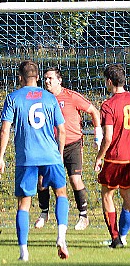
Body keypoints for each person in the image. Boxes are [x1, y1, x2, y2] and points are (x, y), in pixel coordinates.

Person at [0, 60, 69, 261]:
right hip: (50, 156)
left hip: (26, 158)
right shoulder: (50, 98)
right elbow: (61, 130)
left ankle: (24, 252)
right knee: (61, 194)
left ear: (20, 77)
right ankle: (61, 238)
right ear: (37, 77)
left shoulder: (13, 98)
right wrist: (59, 154)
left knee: (24, 204)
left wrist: (0, 157)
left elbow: (5, 129)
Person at [34, 67, 102, 231]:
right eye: (45, 78)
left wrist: (97, 133)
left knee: (75, 179)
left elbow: (93, 111)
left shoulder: (71, 96)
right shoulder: (43, 99)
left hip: (72, 145)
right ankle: (44, 212)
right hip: (51, 145)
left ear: (59, 80)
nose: (47, 81)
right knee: (42, 180)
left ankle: (83, 216)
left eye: (50, 78)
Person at [94, 63, 130, 248]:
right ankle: (122, 236)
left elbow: (107, 137)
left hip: (115, 158)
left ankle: (115, 239)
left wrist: (100, 157)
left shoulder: (108, 105)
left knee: (107, 195)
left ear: (109, 81)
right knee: (127, 197)